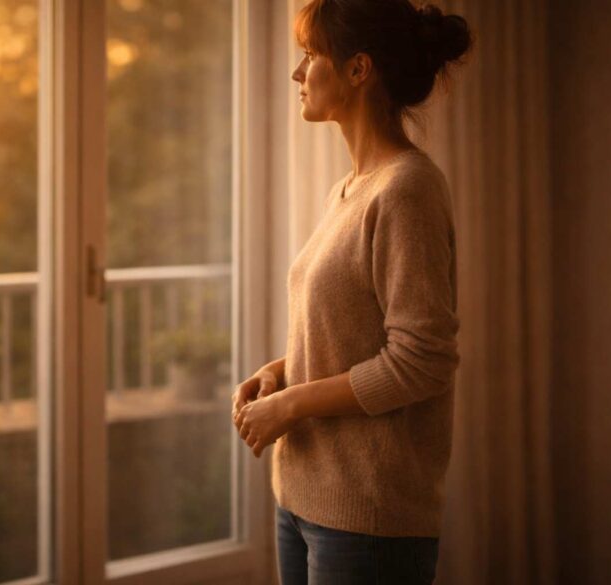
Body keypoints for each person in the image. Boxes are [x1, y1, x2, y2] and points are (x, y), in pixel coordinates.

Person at [231, 0, 473, 583]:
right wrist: (283, 373)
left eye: (311, 56)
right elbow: (354, 334)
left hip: (367, 517)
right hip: (302, 497)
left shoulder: (408, 189)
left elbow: (422, 361)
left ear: (358, 69)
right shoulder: (349, 190)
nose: (298, 73)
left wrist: (291, 405)